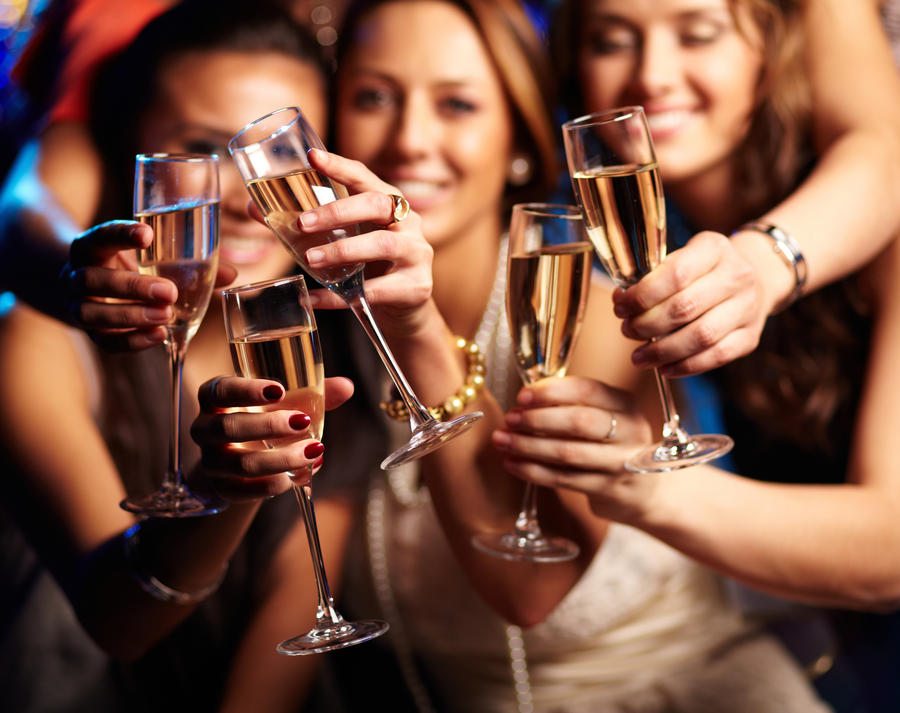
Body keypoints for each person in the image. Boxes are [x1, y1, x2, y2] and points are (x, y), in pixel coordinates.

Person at [196, 1, 830, 710]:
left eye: (458, 103)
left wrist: (418, 325)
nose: (410, 139)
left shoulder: (578, 306)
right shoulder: (326, 329)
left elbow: (531, 591)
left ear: (519, 139)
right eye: (374, 96)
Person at [498, 0, 900, 710]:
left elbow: (891, 552)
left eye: (699, 32)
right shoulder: (620, 252)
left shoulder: (874, 229)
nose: (651, 74)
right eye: (612, 40)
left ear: (774, 50)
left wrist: (646, 487)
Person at [0, 4, 384, 711]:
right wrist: (226, 491)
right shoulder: (38, 342)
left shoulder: (335, 349)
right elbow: (117, 618)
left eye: (275, 160)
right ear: (133, 154)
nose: (246, 199)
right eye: (204, 151)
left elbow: (293, 614)